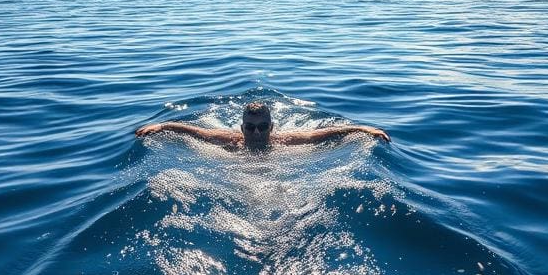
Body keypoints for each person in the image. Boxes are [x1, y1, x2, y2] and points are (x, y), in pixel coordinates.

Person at [135, 101, 390, 151]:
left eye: (262, 126)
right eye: (250, 127)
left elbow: (323, 134)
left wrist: (366, 130)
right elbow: (192, 132)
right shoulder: (229, 140)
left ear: (272, 127)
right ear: (242, 127)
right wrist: (162, 126)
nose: (256, 133)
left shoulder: (286, 141)